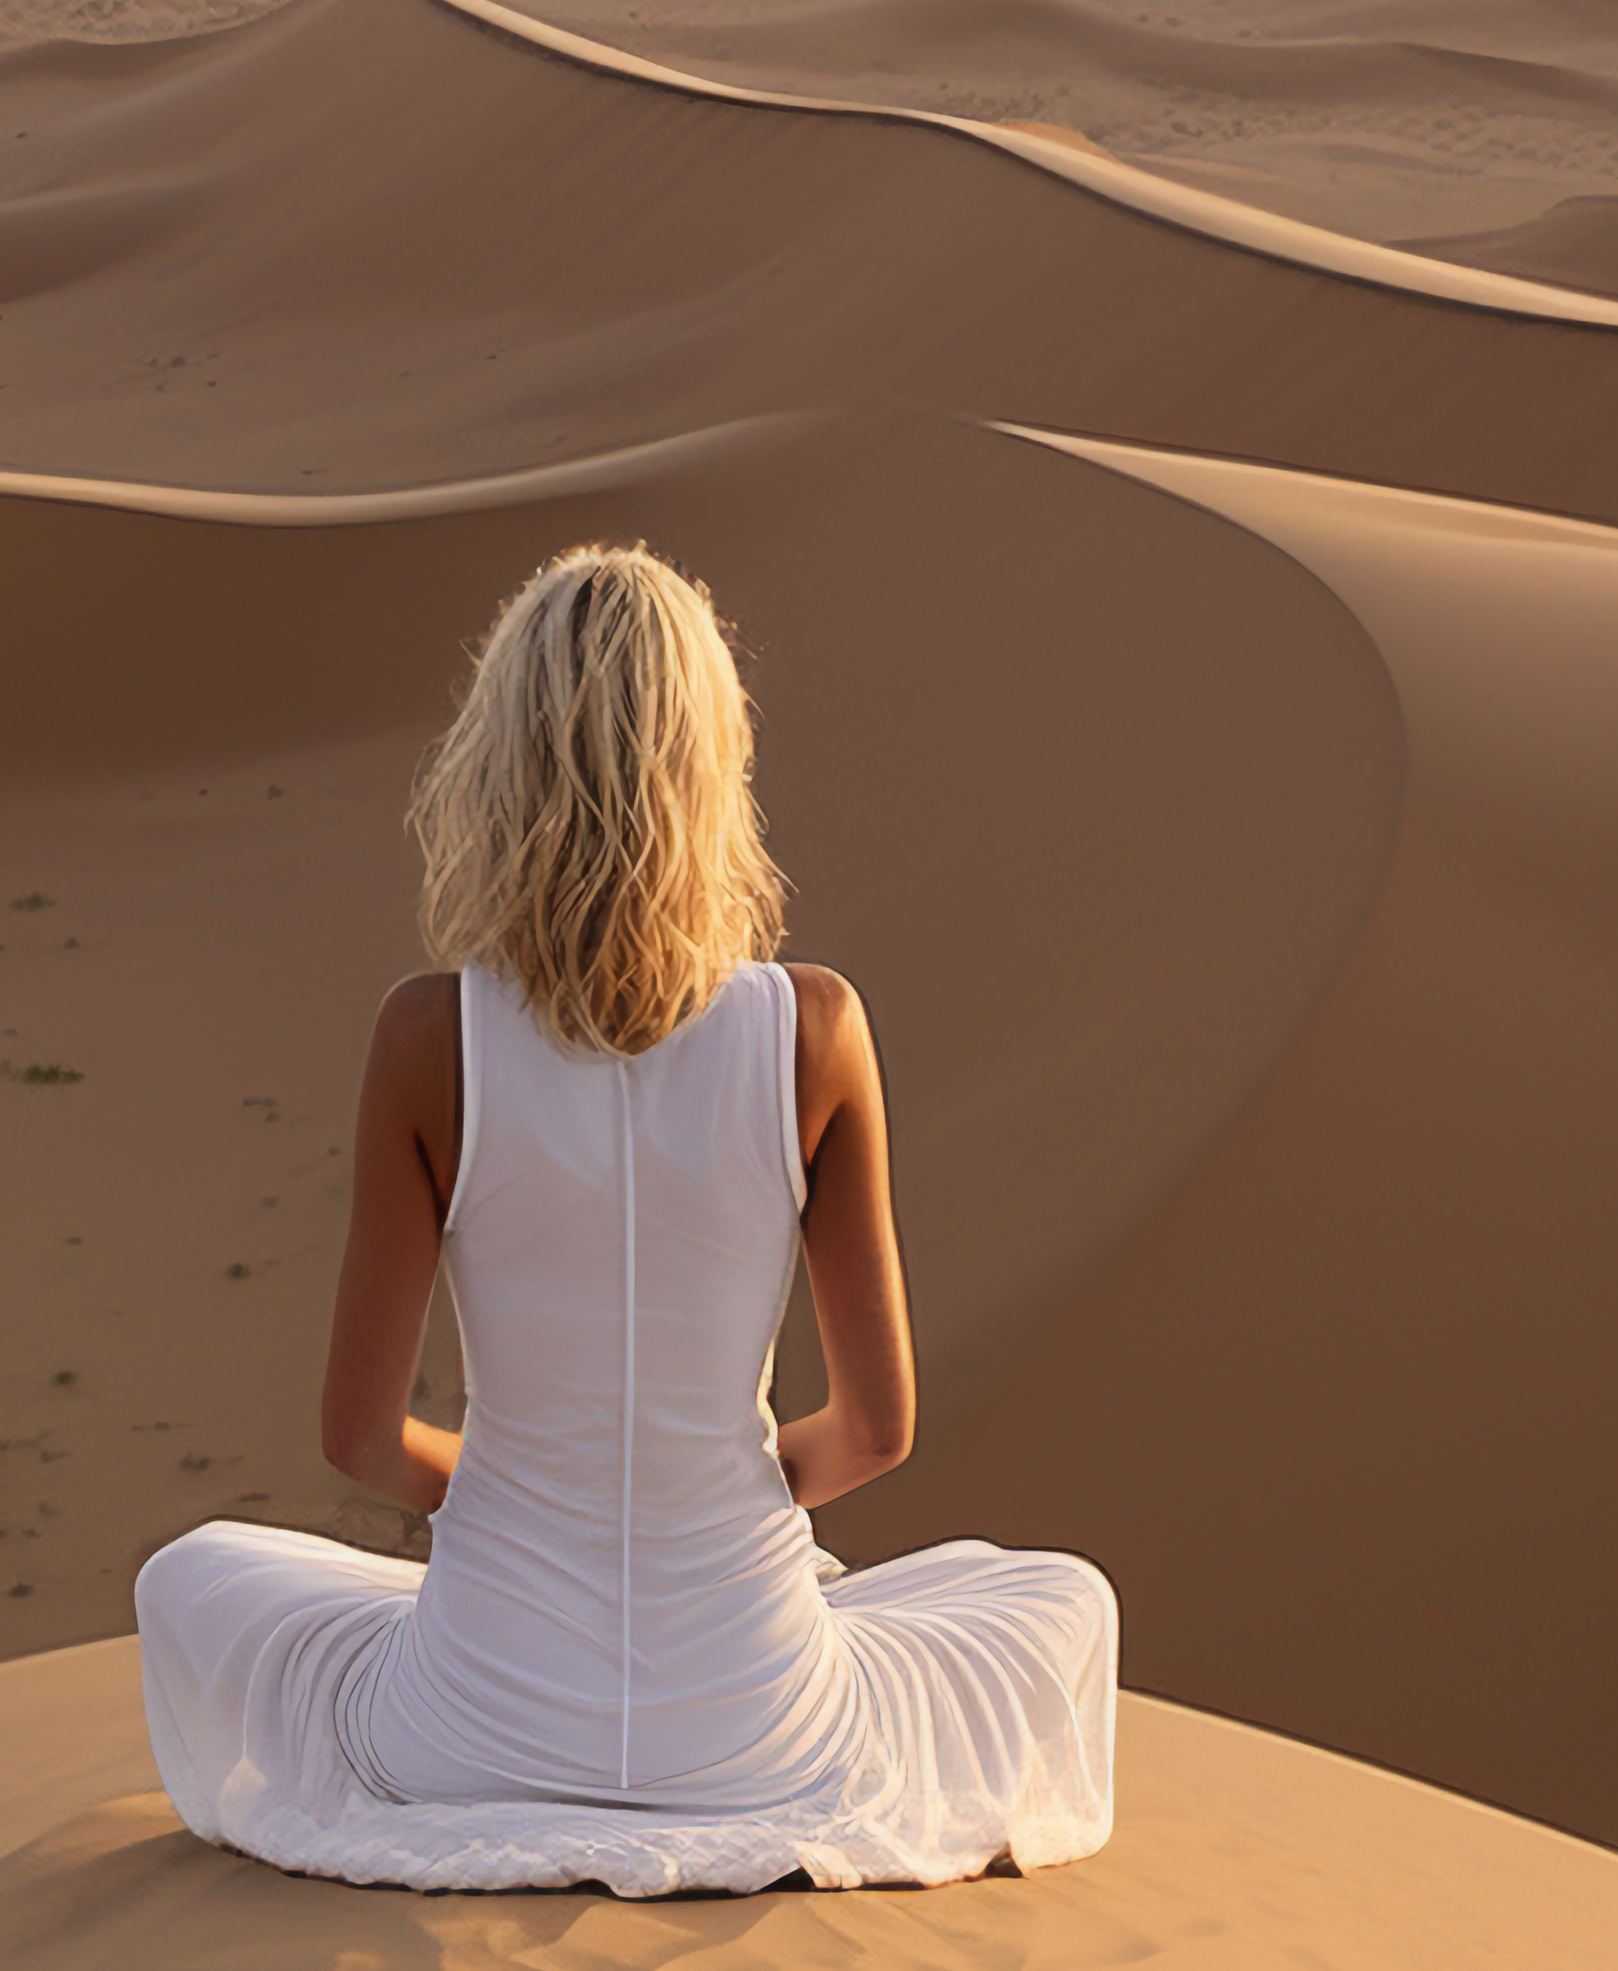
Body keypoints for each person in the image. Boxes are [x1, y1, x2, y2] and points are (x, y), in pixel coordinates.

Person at [135, 544, 1117, 1891]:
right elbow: (879, 1431)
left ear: (500, 765)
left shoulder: (431, 1037)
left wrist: (516, 1501)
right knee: (1057, 1599)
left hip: (471, 1731)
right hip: (764, 1734)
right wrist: (721, 1501)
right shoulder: (814, 1031)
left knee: (198, 1578)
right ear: (714, 763)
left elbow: (358, 1440)